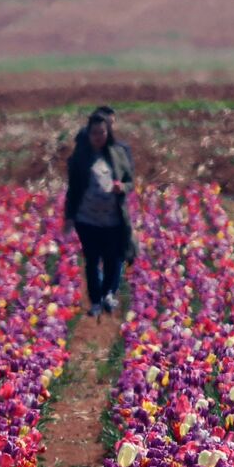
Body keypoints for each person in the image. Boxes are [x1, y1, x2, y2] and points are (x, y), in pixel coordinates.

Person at [64, 105, 134, 317]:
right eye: (94, 133)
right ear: (89, 133)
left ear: (108, 133)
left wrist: (122, 187)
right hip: (87, 219)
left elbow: (130, 181)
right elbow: (73, 189)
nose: (98, 136)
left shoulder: (119, 153)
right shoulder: (80, 158)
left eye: (102, 132)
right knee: (92, 259)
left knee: (113, 257)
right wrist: (69, 217)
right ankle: (95, 300)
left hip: (113, 218)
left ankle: (109, 294)